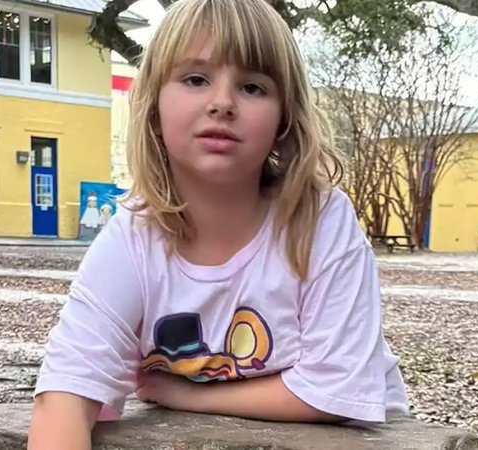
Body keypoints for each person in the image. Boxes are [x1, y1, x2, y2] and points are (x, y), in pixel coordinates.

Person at [28, 0, 409, 448]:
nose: (223, 103)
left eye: (252, 87)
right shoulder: (132, 238)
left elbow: (336, 390)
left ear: (284, 118)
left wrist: (188, 396)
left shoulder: (319, 221)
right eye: (195, 79)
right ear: (153, 106)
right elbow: (65, 394)